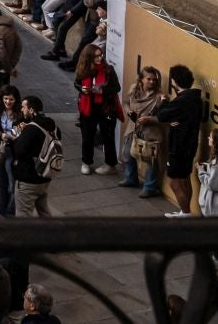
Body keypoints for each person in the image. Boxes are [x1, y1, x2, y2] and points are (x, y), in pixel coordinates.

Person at [149, 65, 206, 215]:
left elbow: (161, 116)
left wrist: (164, 101)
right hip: (189, 146)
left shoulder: (181, 101)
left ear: (174, 81)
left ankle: (186, 213)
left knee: (175, 182)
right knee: (185, 179)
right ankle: (184, 212)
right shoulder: (195, 99)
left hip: (178, 148)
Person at [71, 45, 121, 174]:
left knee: (107, 136)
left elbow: (116, 88)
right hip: (88, 107)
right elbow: (77, 83)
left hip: (106, 108)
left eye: (101, 55)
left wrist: (102, 90)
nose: (100, 58)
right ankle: (86, 162)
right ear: (89, 58)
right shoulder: (84, 69)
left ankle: (110, 164)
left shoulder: (108, 70)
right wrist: (81, 89)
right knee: (87, 136)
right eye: (97, 56)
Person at [119, 66, 166, 197]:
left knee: (151, 159)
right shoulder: (134, 90)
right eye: (149, 79)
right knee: (127, 154)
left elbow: (163, 116)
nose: (152, 82)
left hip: (150, 132)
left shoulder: (159, 97)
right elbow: (125, 102)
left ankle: (149, 187)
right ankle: (131, 178)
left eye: (154, 80)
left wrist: (152, 116)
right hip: (133, 128)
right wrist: (128, 111)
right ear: (141, 79)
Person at [11, 96, 60, 217]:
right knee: (44, 211)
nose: (22, 110)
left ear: (31, 110)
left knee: (23, 215)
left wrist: (14, 139)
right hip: (45, 177)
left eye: (24, 107)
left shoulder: (31, 129)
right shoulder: (52, 126)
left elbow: (19, 150)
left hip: (28, 180)